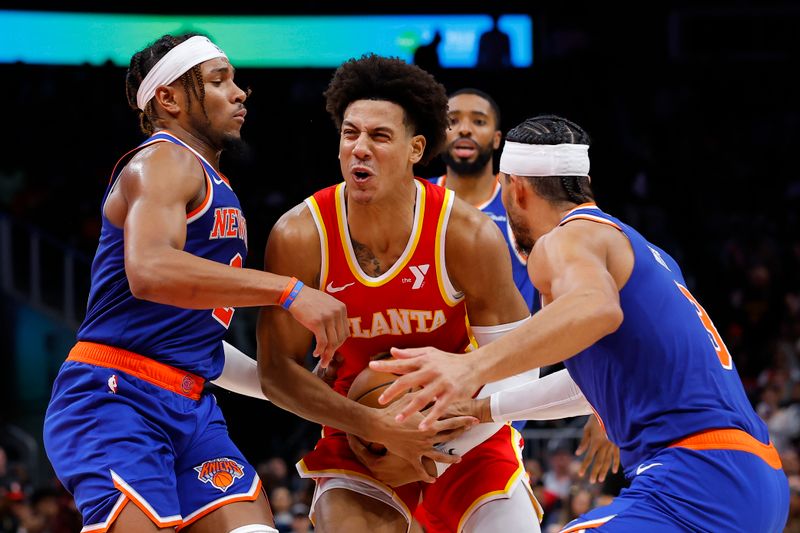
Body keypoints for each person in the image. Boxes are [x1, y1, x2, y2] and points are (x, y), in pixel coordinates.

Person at [374, 114, 791, 532]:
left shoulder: (564, 240)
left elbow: (596, 307)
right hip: (752, 479)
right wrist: (484, 408)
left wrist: (467, 368)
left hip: (696, 480)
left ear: (514, 189)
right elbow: (588, 384)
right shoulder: (643, 250)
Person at [43, 33, 349, 533]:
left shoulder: (212, 181)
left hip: (189, 403)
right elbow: (151, 272)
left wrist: (288, 387)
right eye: (218, 80)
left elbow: (196, 340)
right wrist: (288, 290)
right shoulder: (164, 160)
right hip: (116, 398)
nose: (240, 92)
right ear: (170, 99)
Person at [257, 54, 575, 533]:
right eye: (350, 133)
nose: (359, 148)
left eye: (379, 136)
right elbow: (277, 372)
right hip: (358, 436)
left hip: (465, 432)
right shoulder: (300, 235)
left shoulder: (466, 234)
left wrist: (434, 441)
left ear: (415, 148)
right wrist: (377, 428)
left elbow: (520, 362)